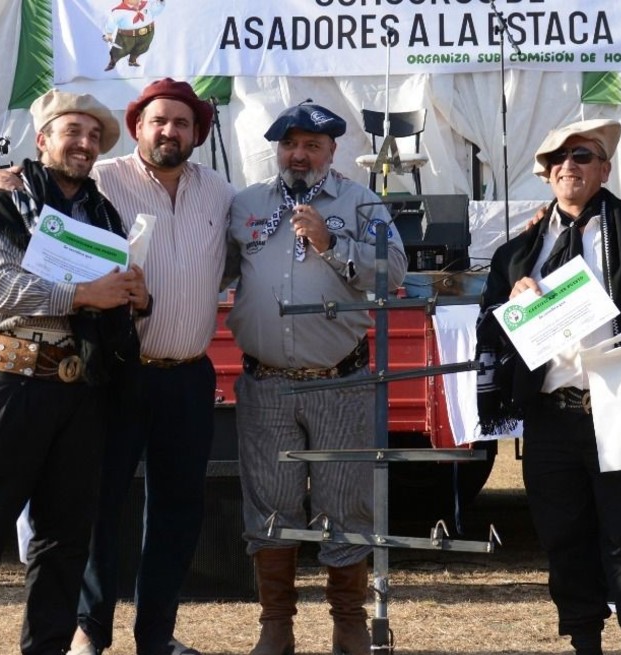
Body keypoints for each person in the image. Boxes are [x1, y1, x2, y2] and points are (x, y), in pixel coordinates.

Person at [475, 119, 621, 655]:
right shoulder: (519, 251)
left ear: (604, 168)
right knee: (563, 536)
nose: (568, 167)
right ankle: (583, 640)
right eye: (557, 160)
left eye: (582, 156)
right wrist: (514, 301)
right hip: (552, 415)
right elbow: (489, 325)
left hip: (620, 401)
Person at [0, 90, 144, 655]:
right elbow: (1, 289)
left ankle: (47, 648)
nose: (85, 143)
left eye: (95, 136)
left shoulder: (104, 215)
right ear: (42, 138)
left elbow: (109, 298)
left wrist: (130, 294)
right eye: (72, 131)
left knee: (65, 538)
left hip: (79, 388)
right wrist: (86, 294)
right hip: (10, 380)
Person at [222, 101, 407, 655]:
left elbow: (394, 273)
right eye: (289, 144)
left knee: (345, 500)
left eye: (311, 146)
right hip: (267, 383)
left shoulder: (362, 202)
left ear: (332, 152)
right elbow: (215, 267)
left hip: (340, 382)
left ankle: (348, 620)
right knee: (272, 501)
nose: (298, 155)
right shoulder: (247, 204)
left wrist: (332, 244)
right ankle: (275, 623)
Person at [70, 78, 236, 655]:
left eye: (182, 123)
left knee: (178, 509)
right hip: (117, 371)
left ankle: (156, 635)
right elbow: (44, 186)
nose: (170, 131)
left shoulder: (220, 191)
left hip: (189, 374)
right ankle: (89, 629)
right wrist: (5, 177)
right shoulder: (101, 178)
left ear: (197, 133)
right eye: (159, 120)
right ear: (138, 126)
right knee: (101, 504)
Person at [104, 0, 166, 71]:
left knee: (142, 48)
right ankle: (113, 61)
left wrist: (160, 3)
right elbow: (111, 23)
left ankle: (132, 60)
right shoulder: (119, 11)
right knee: (120, 50)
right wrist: (109, 34)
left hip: (147, 33)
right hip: (127, 37)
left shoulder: (146, 4)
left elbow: (155, 11)